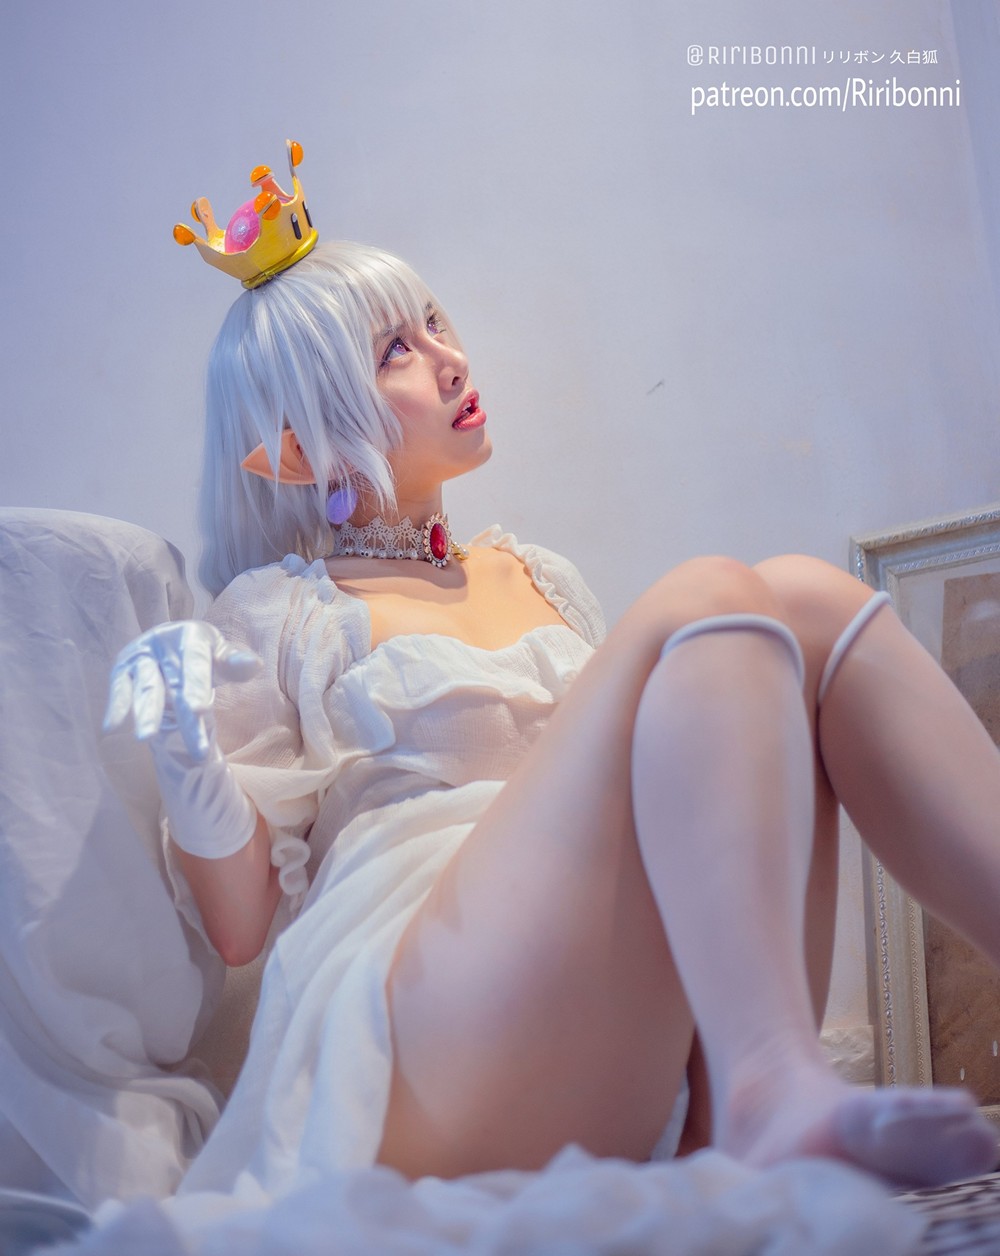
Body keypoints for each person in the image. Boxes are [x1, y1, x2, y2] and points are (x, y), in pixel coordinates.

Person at [107, 146, 1000, 1197]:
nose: (448, 359)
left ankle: (740, 1105)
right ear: (298, 454)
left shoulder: (544, 578)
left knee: (806, 596)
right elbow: (238, 925)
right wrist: (183, 744)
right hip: (418, 1039)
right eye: (394, 352)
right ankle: (769, 1081)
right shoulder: (282, 610)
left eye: (433, 322)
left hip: (587, 1026)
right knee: (709, 594)